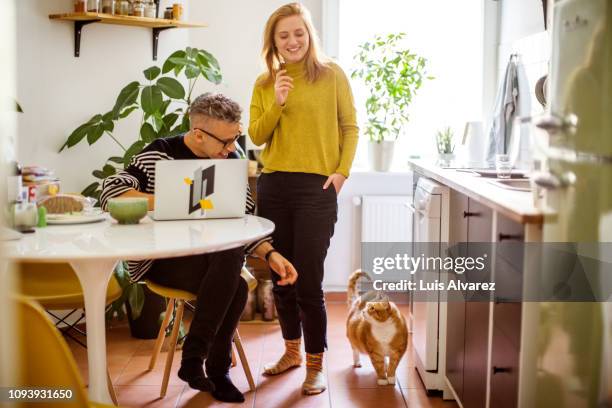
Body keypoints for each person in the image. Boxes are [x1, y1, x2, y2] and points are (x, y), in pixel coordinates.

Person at [100, 93, 298, 403]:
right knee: (232, 279)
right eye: (226, 141)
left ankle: (198, 361)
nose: (232, 148)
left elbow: (241, 221)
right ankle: (214, 370)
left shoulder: (231, 162)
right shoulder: (160, 154)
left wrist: (270, 254)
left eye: (236, 139)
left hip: (216, 260)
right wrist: (177, 199)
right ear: (198, 134)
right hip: (164, 259)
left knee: (233, 273)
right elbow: (111, 193)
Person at [248, 2, 359, 395]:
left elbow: (350, 127)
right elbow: (257, 136)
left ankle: (315, 365)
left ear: (309, 35)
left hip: (317, 189)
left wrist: (341, 172)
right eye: (284, 35)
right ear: (274, 42)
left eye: (299, 33)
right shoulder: (265, 84)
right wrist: (277, 102)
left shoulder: (332, 75)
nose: (293, 41)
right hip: (274, 185)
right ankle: (291, 352)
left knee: (309, 280)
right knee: (281, 277)